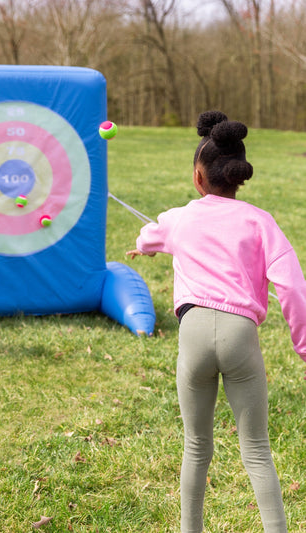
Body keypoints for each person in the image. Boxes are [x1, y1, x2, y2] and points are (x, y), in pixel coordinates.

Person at [127, 110, 306, 532]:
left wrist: (146, 247)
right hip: (240, 335)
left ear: (197, 176)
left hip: (192, 335)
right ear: (239, 177)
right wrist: (304, 346)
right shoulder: (261, 222)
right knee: (257, 449)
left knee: (196, 446)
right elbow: (294, 289)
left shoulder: (179, 218)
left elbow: (149, 235)